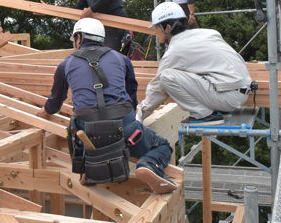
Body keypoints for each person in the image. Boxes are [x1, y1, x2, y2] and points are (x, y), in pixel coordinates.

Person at [36, 18, 177, 193]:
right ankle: (149, 164)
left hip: (87, 134)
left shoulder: (66, 64)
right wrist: (131, 125)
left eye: (74, 39)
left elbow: (55, 101)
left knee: (74, 128)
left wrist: (43, 112)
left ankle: (87, 168)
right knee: (161, 145)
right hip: (123, 129)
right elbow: (131, 96)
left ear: (79, 38)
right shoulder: (121, 59)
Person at [138, 2, 253, 125]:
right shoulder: (208, 33)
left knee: (166, 76)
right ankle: (218, 109)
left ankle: (203, 115)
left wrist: (140, 116)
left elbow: (157, 88)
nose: (155, 32)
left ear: (167, 28)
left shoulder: (176, 50)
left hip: (228, 97)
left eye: (156, 28)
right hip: (239, 90)